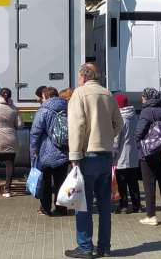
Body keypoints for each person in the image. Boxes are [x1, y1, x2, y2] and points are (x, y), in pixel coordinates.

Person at [65, 63, 123, 259]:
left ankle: (85, 247)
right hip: (105, 155)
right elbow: (119, 123)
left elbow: (77, 126)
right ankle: (104, 247)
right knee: (105, 206)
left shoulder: (79, 94)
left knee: (83, 204)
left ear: (82, 76)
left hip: (87, 156)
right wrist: (106, 137)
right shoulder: (108, 94)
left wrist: (74, 156)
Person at [134, 88, 161, 226]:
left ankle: (151, 216)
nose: (142, 99)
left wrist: (139, 144)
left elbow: (139, 132)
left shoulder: (146, 111)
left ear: (147, 98)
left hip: (148, 153)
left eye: (143, 97)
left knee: (149, 184)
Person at [30, 87, 69, 216]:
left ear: (46, 96)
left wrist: (33, 150)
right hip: (63, 152)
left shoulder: (43, 110)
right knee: (61, 182)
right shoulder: (67, 107)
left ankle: (46, 209)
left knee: (45, 183)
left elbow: (35, 132)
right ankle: (61, 209)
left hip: (45, 153)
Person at [112, 93, 141, 214]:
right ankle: (137, 206)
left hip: (121, 156)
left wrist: (112, 153)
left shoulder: (120, 118)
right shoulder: (134, 116)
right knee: (134, 182)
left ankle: (123, 206)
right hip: (134, 154)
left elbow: (116, 140)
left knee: (122, 182)